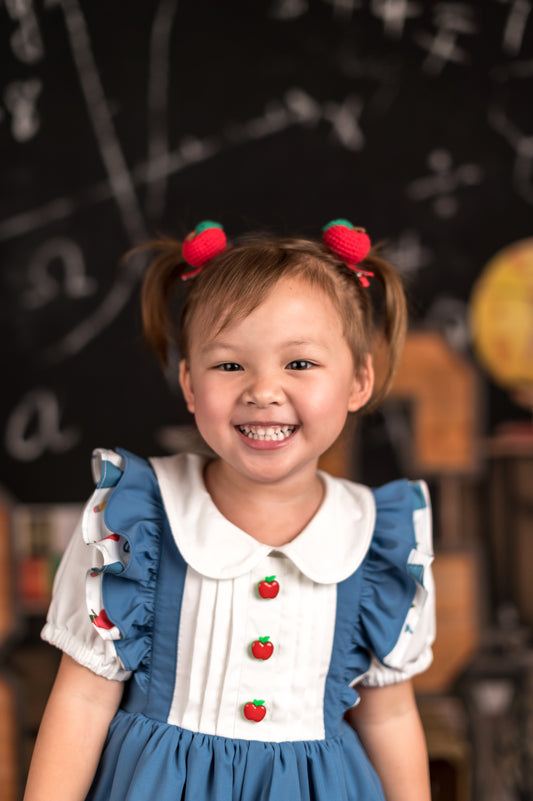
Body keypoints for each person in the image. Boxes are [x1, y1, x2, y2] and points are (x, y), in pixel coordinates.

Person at [24, 219, 435, 801]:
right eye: (229, 365)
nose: (263, 390)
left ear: (358, 380)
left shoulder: (378, 540)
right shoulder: (133, 520)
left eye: (299, 364)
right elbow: (83, 698)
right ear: (190, 384)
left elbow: (389, 717)